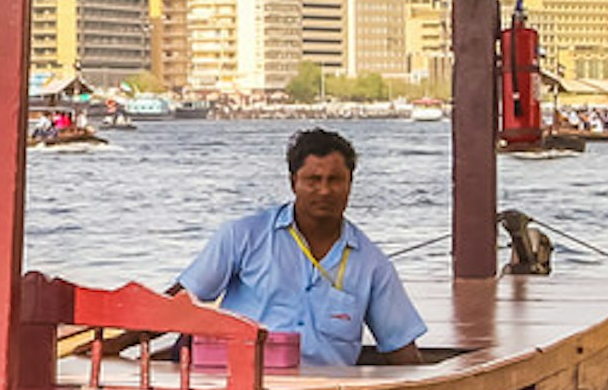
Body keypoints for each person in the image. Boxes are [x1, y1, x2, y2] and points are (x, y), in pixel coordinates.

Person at [171, 126, 437, 370]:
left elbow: (401, 350)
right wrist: (129, 342)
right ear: (293, 182)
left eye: (335, 180)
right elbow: (178, 302)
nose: (324, 191)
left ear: (350, 184)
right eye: (313, 180)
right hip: (242, 389)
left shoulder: (372, 265)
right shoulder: (243, 237)